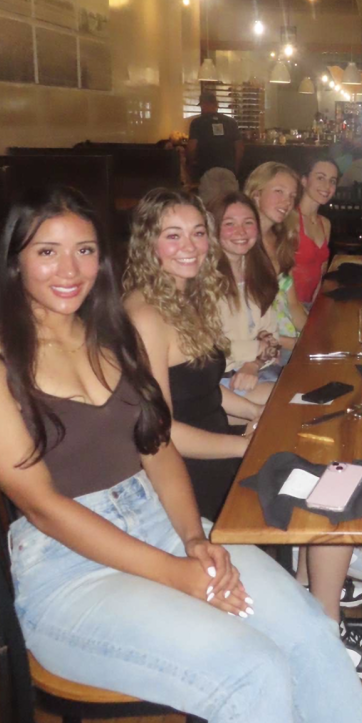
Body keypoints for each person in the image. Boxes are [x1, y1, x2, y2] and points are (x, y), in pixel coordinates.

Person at [0, 186, 362, 723]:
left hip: (160, 525)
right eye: (47, 251)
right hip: (70, 572)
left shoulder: (111, 336)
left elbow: (155, 444)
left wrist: (194, 538)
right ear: (14, 260)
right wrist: (179, 572)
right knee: (250, 673)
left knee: (305, 628)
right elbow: (45, 505)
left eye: (84, 251)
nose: (69, 269)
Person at [245, 161, 362, 677]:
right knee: (335, 436)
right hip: (261, 379)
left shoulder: (270, 247)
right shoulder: (246, 254)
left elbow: (275, 318)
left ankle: (318, 575)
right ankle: (321, 610)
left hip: (271, 365)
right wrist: (302, 348)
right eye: (275, 192)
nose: (286, 198)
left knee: (344, 420)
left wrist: (308, 339)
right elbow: (258, 337)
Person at [123, 189, 260, 523]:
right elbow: (161, 432)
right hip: (184, 472)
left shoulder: (189, 296)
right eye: (173, 236)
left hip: (217, 444)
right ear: (147, 244)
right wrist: (245, 447)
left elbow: (202, 390)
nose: (190, 246)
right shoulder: (145, 317)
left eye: (198, 233)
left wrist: (261, 413)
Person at [210, 191, 279, 405]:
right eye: (229, 223)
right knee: (288, 400)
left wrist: (254, 364)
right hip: (219, 382)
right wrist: (256, 348)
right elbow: (209, 348)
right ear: (213, 230)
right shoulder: (204, 281)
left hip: (257, 370)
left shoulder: (258, 273)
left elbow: (272, 339)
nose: (240, 231)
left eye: (248, 223)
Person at [243, 162, 307, 353]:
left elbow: (293, 306)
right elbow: (241, 323)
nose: (287, 202)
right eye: (279, 191)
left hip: (288, 340)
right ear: (256, 193)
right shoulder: (239, 245)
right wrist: (296, 345)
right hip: (260, 352)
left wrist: (312, 335)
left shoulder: (281, 239)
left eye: (292, 196)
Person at [293, 157, 338, 305]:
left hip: (310, 305)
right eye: (320, 178)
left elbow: (321, 274)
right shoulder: (290, 220)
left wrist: (316, 311)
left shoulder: (325, 224)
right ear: (304, 180)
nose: (327, 186)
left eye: (332, 181)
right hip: (286, 310)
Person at [186, 89, 242, 182]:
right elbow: (239, 148)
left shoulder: (197, 123)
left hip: (205, 171)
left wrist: (191, 166)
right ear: (216, 105)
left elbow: (192, 147)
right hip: (228, 170)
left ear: (203, 104)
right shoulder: (231, 122)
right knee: (229, 196)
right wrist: (235, 168)